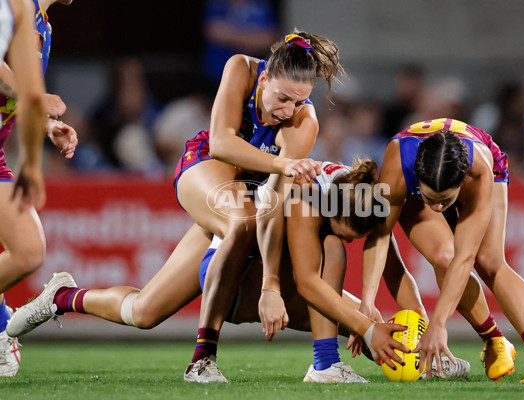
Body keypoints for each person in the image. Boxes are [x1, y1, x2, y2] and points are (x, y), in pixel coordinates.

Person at [7, 31, 341, 375]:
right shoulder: (242, 68)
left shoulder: (304, 124)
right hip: (206, 164)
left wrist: (274, 286)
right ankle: (203, 359)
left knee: (144, 312)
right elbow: (222, 142)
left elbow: (271, 202)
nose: (289, 111)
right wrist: (283, 164)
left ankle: (62, 296)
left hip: (244, 199)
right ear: (267, 78)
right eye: (283, 98)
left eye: (300, 103)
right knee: (241, 221)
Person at [8, 159, 470, 383]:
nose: (350, 239)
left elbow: (396, 275)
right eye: (349, 232)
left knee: (370, 323)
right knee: (143, 312)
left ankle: (370, 363)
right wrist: (362, 324)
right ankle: (61, 297)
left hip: (262, 264)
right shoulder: (311, 201)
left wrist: (427, 332)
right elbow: (310, 282)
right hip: (235, 260)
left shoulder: (361, 202)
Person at [360, 117, 524, 383]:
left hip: (482, 157)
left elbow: (466, 258)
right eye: (430, 199)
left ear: (462, 182)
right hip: (414, 166)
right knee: (443, 257)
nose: (439, 209)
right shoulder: (398, 166)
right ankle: (495, 340)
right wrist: (366, 304)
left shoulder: (479, 170)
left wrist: (438, 323)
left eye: (446, 200)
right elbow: (380, 236)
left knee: (489, 262)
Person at [0, 0, 76, 377]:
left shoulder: (42, 25)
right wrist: (35, 98)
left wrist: (46, 124)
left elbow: (19, 93)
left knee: (28, 251)